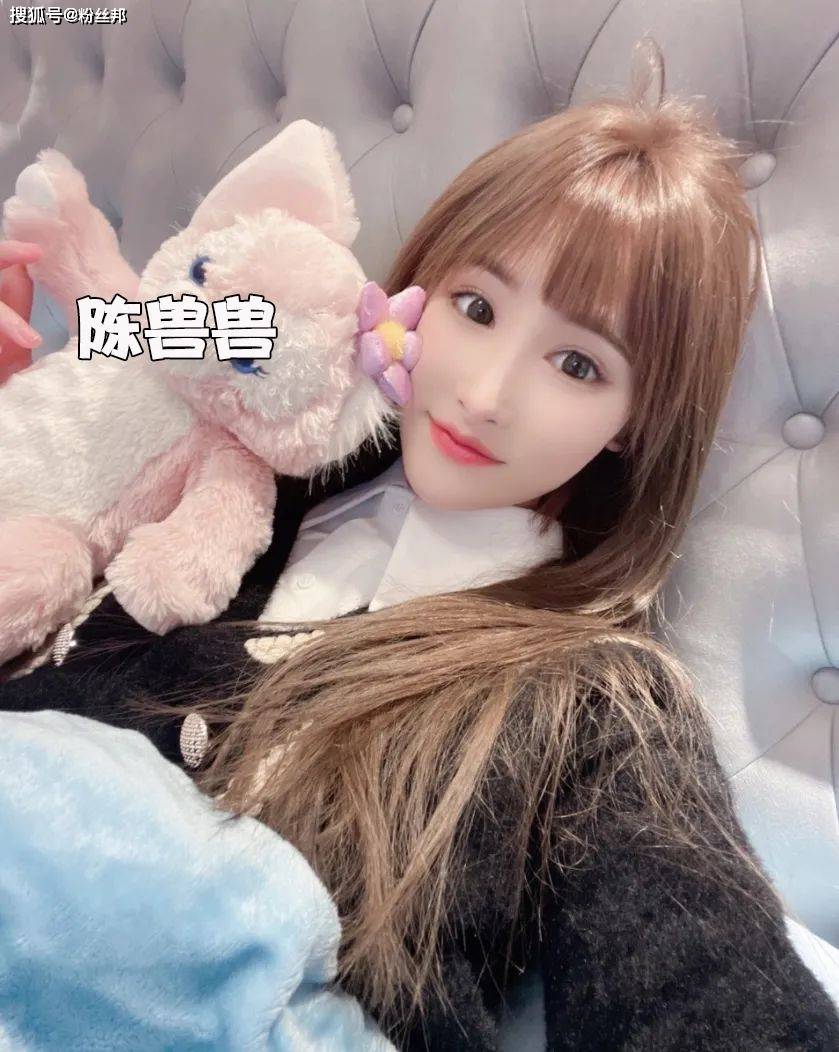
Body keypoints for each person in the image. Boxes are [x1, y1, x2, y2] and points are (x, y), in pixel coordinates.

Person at [2, 40, 839, 1051]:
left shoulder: (594, 703)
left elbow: (709, 986)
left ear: (635, 420)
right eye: (475, 307)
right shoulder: (276, 438)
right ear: (415, 298)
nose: (482, 393)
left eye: (577, 363)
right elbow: (147, 339)